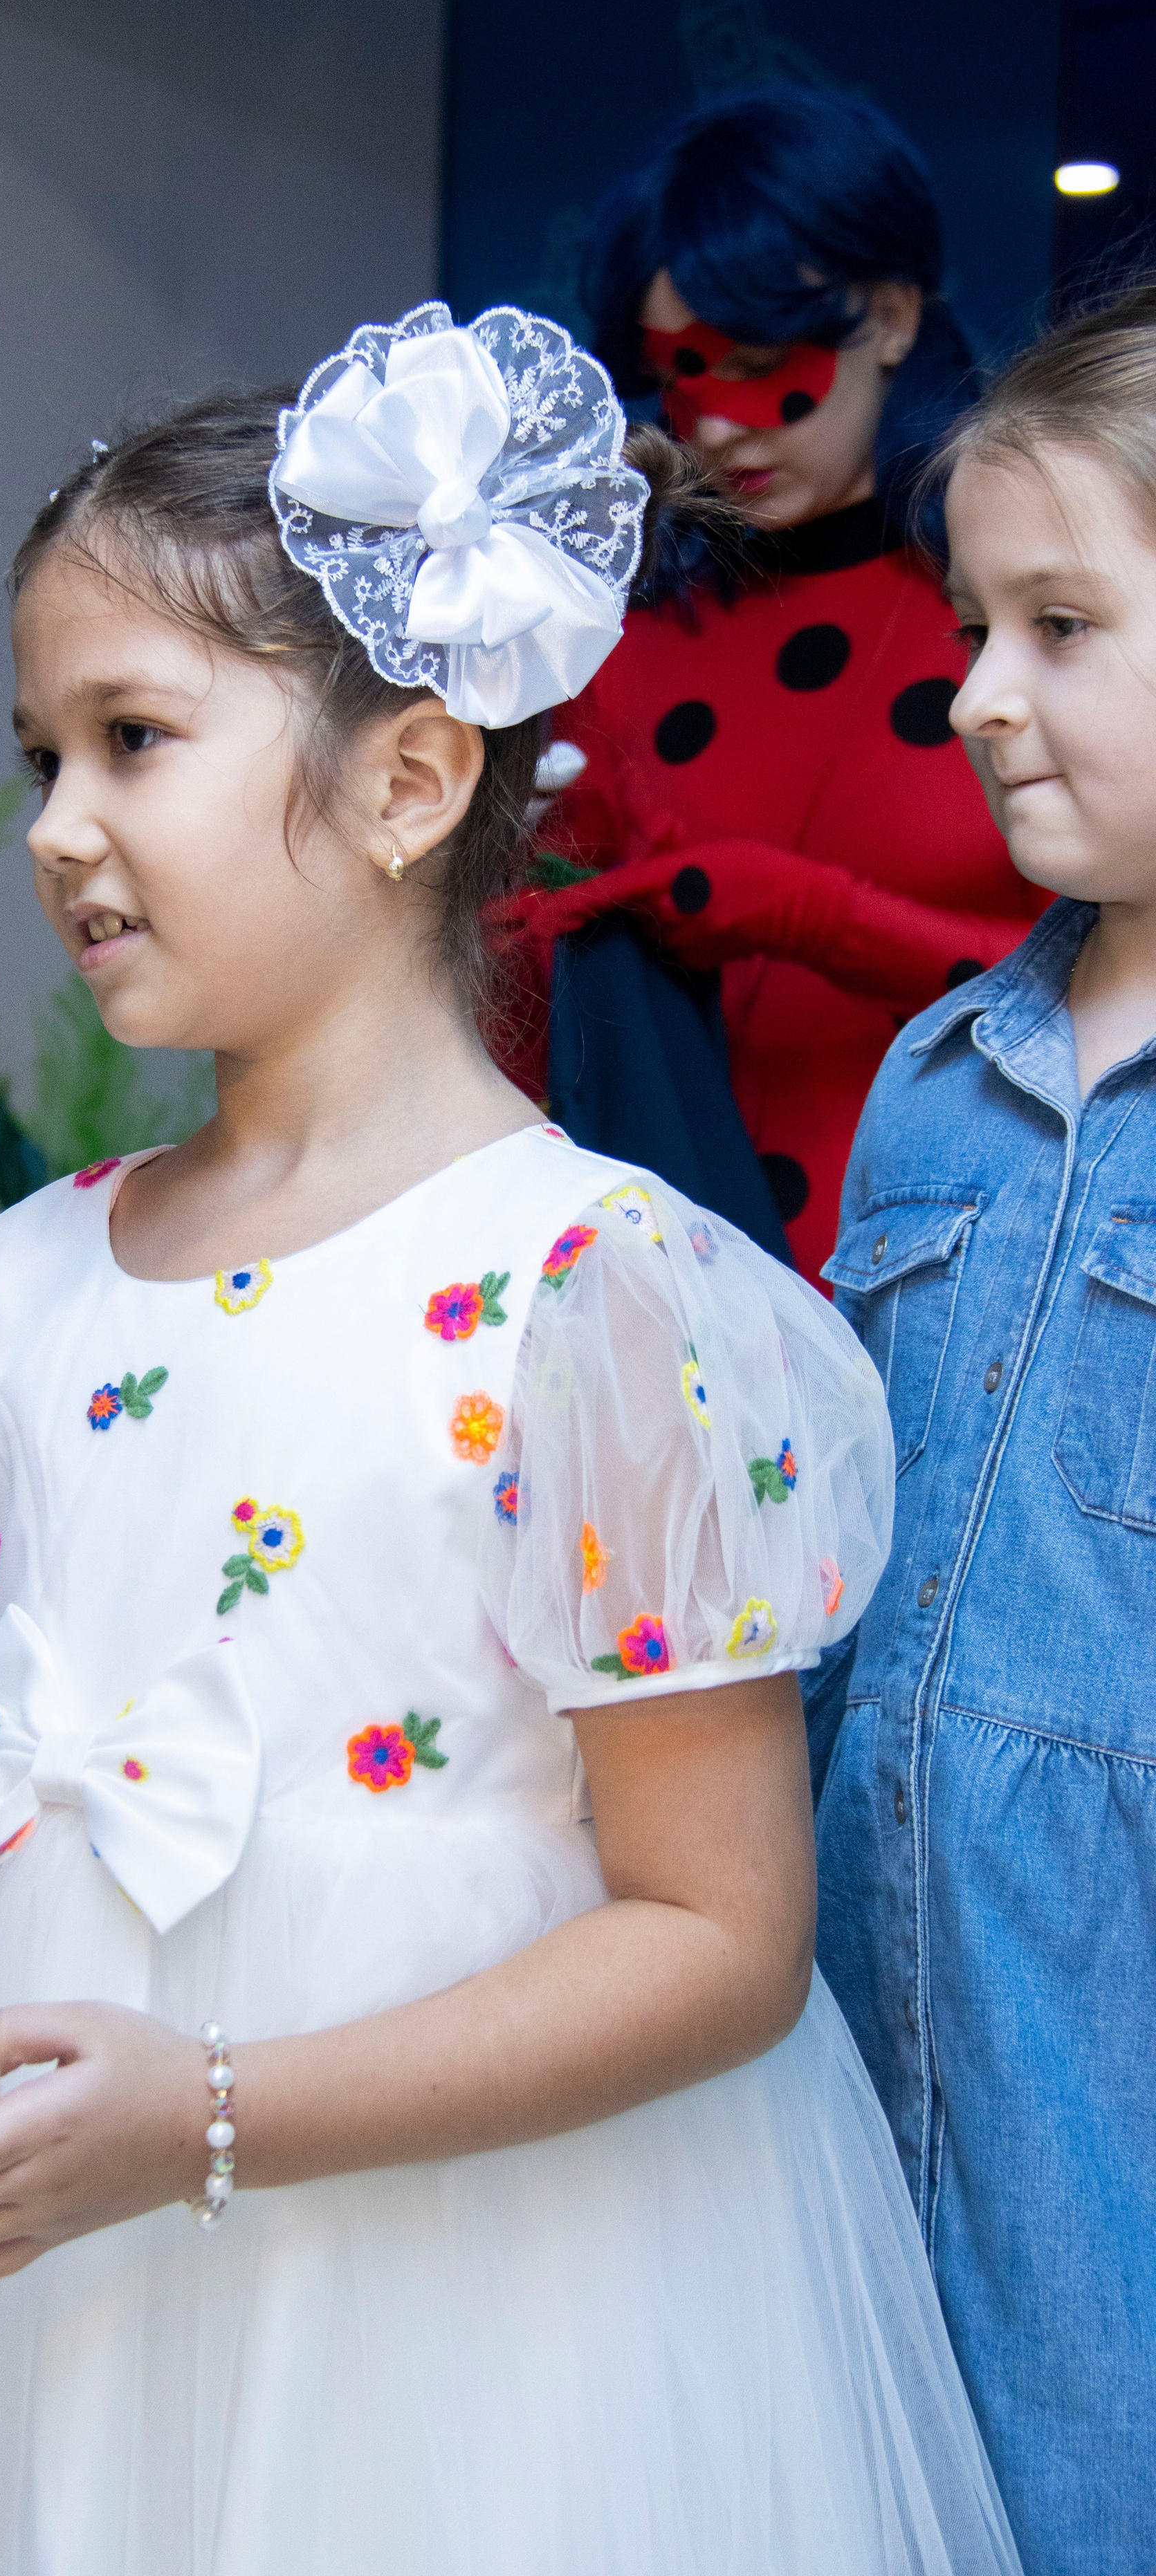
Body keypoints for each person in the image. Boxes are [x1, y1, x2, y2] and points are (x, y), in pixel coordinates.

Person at [0, 307, 1016, 2576]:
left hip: (470, 2288)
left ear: (406, 785)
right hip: (60, 2290)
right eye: (41, 754)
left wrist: (209, 2117)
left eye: (134, 740)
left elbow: (720, 1931)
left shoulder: (594, 1296)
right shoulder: (35, 1281)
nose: (61, 830)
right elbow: (43, 1742)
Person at [813, 283, 1156, 2576]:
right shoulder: (931, 1078)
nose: (976, 692)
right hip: (853, 2035)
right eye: (971, 624)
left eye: (1061, 622)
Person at [495, 87, 1046, 1283]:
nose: (721, 426)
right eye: (677, 376)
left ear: (892, 314)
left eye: (758, 363)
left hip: (978, 1282)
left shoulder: (1020, 603)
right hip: (678, 1317)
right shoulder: (607, 637)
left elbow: (1123, 986)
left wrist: (804, 915)